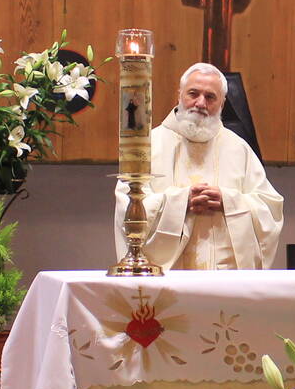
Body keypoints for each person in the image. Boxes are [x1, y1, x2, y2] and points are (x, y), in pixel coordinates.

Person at [117, 62, 284, 270]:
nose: (200, 103)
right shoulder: (147, 146)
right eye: (193, 93)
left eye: (210, 97)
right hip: (166, 278)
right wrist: (181, 202)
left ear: (222, 103)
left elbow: (270, 209)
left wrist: (228, 201)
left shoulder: (238, 148)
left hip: (223, 278)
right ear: (179, 95)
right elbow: (127, 206)